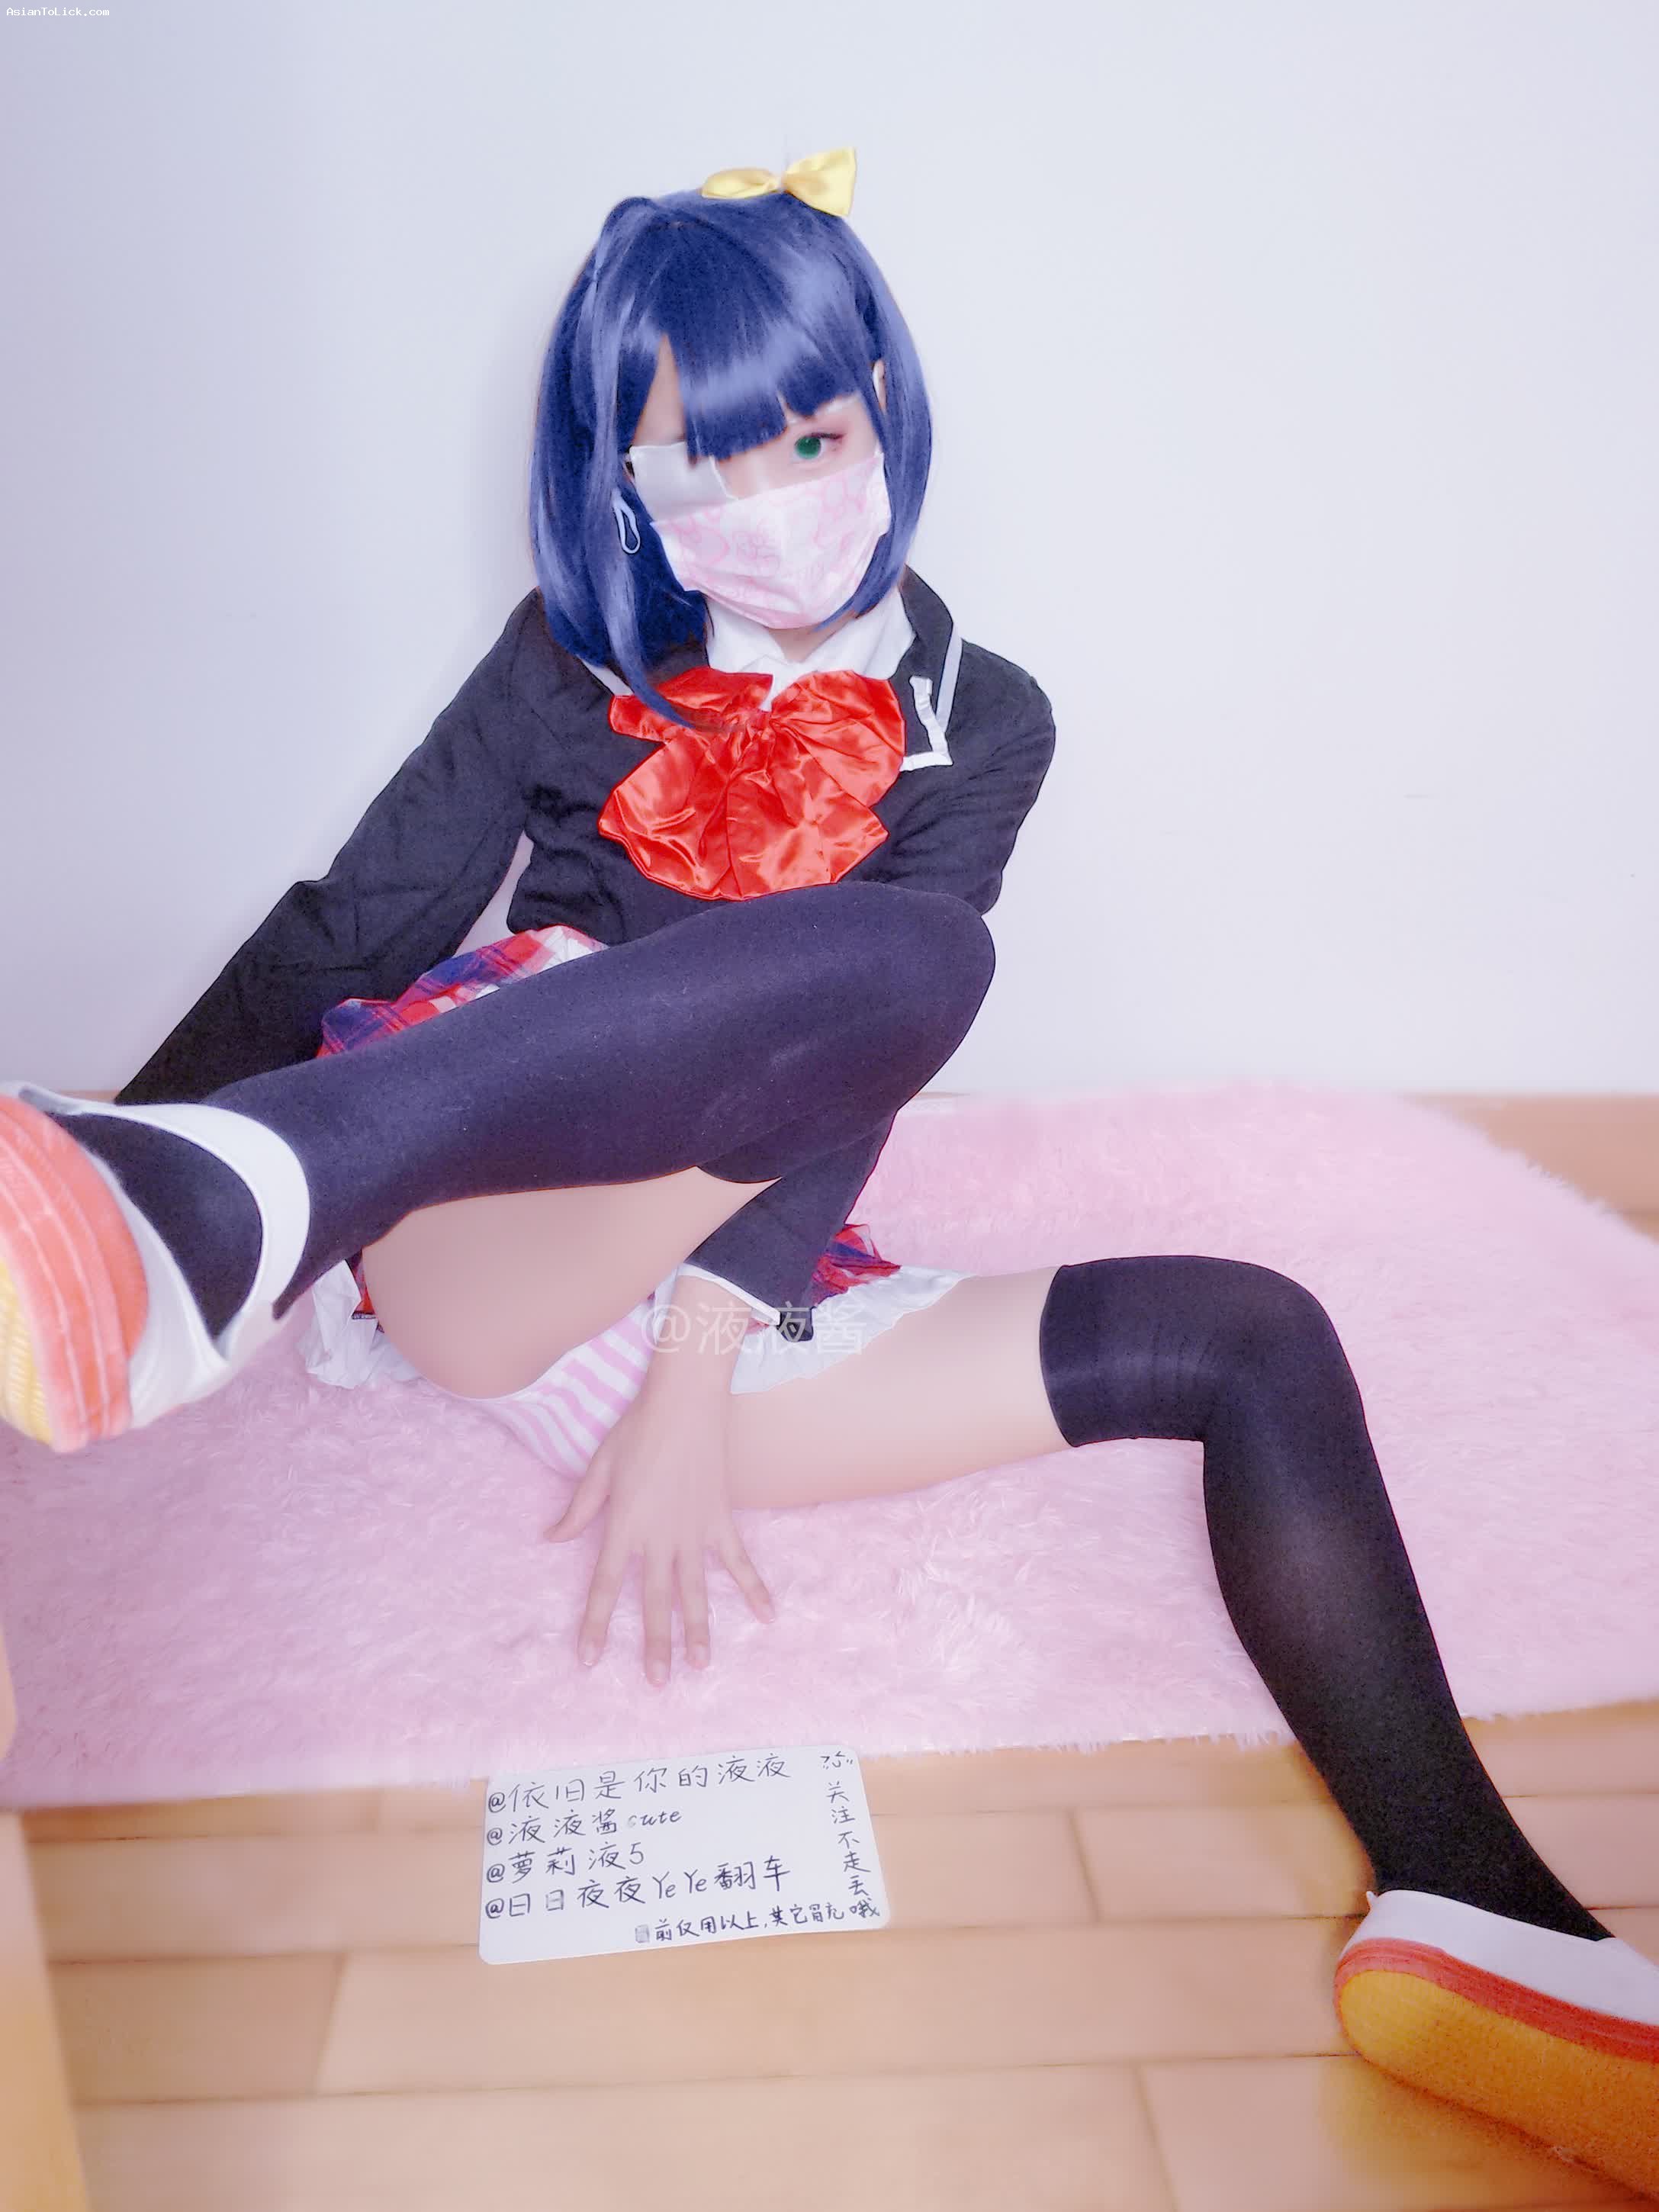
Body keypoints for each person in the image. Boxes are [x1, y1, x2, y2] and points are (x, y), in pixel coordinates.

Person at [0, 146, 1654, 2193]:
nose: (773, 494)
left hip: (732, 1266)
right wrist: (122, 1142)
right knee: (760, 982)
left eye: (812, 437)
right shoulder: (561, 659)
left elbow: (868, 1054)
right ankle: (198, 1194)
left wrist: (698, 1374)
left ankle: (1485, 1911)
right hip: (467, 1216)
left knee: (1195, 1268)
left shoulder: (986, 720)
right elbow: (357, 924)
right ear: (623, 481)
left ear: (883, 410)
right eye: (705, 461)